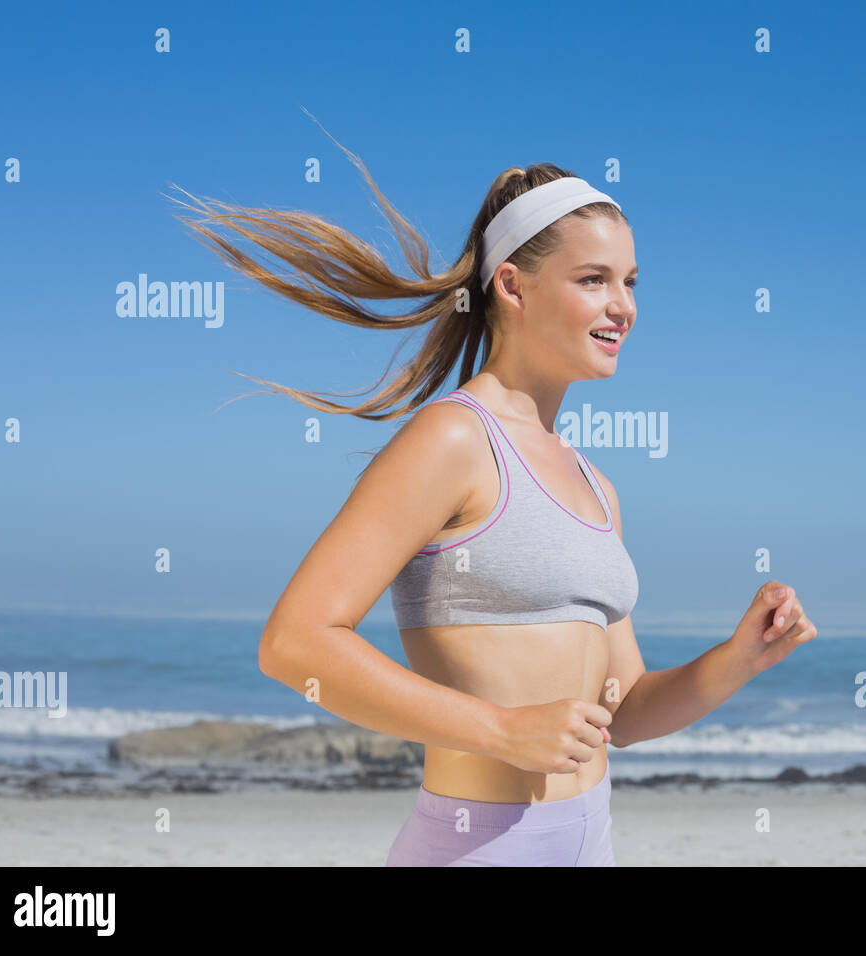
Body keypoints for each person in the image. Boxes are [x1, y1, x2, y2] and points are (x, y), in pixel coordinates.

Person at [168, 145, 818, 866]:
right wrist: (500, 730)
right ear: (512, 285)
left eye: (630, 281)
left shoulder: (597, 486)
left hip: (589, 840)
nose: (623, 306)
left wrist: (740, 659)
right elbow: (295, 642)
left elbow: (624, 710)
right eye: (594, 279)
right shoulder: (453, 439)